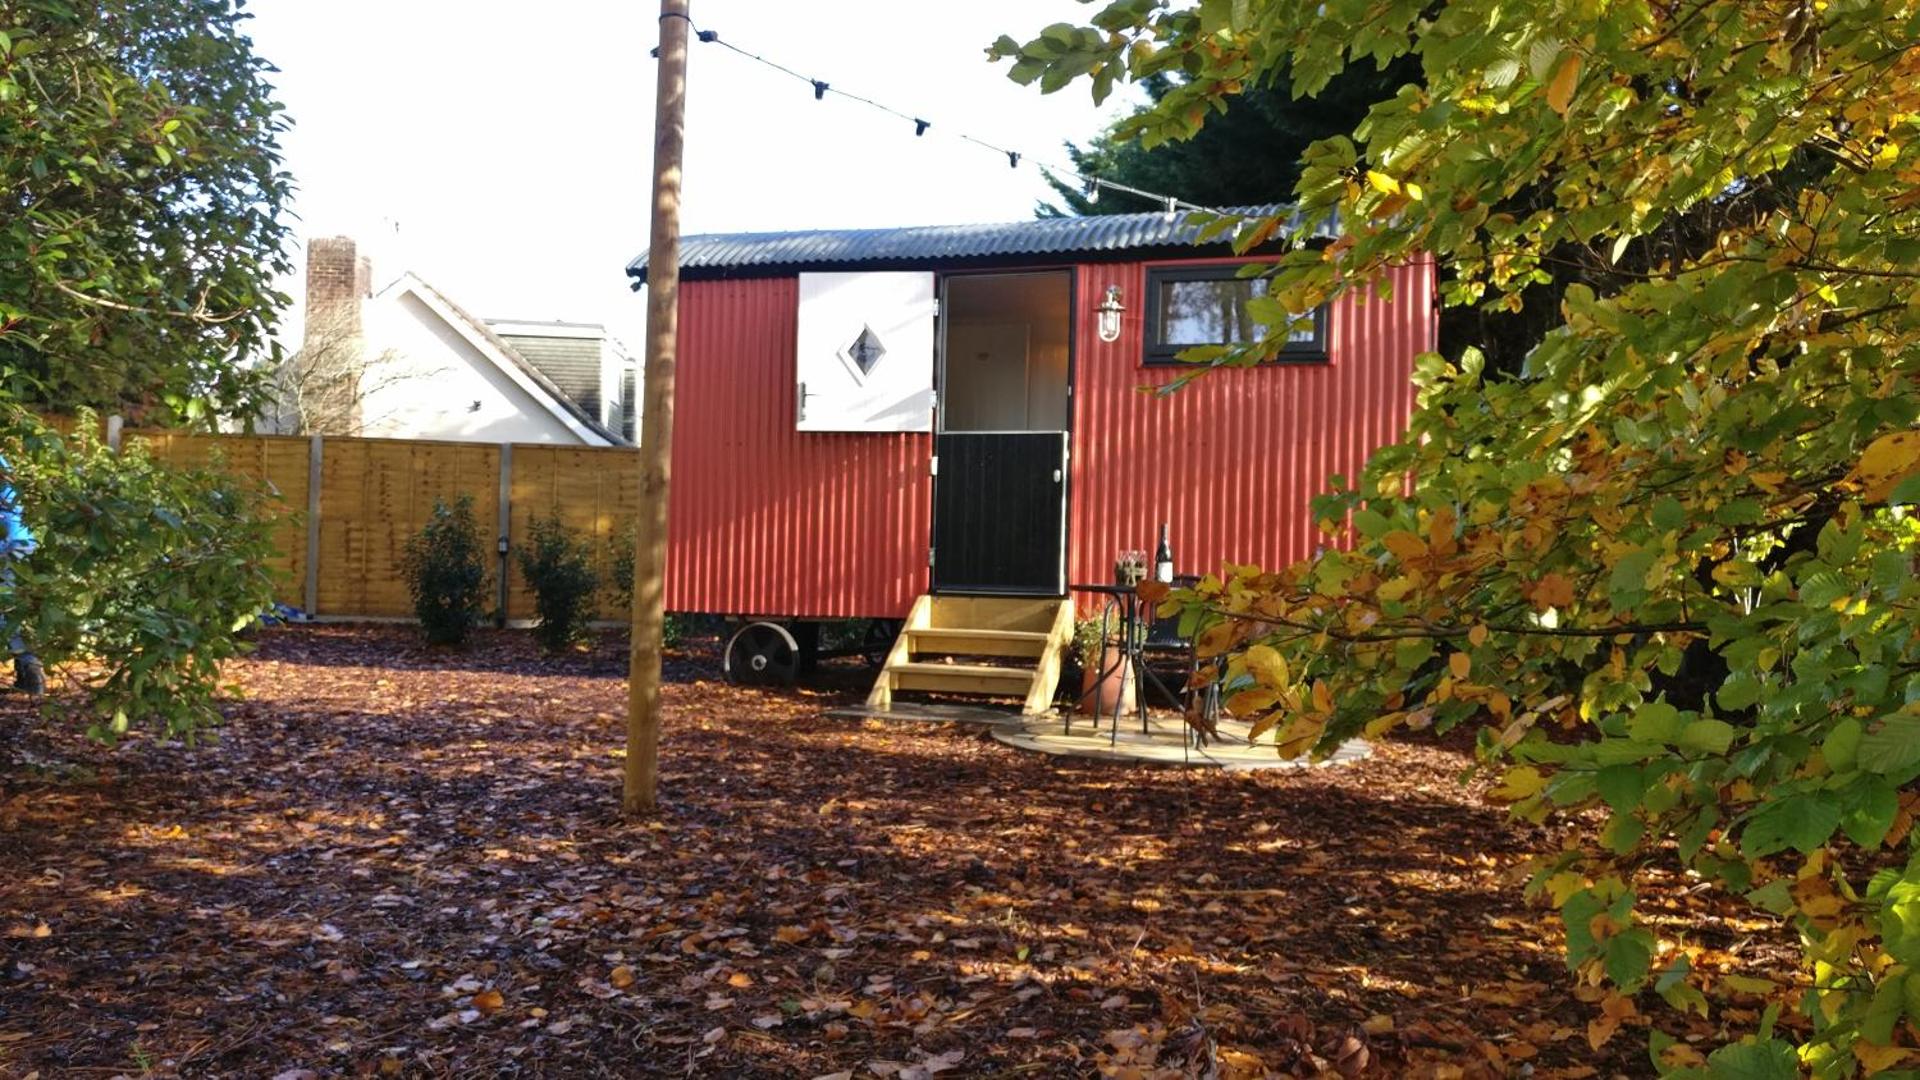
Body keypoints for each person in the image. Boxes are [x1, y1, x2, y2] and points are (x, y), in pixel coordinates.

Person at [0, 456, 45, 696]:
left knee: (4, 610)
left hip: (8, 545)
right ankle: (29, 670)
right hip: (18, 541)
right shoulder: (4, 463)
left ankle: (30, 668)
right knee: (9, 608)